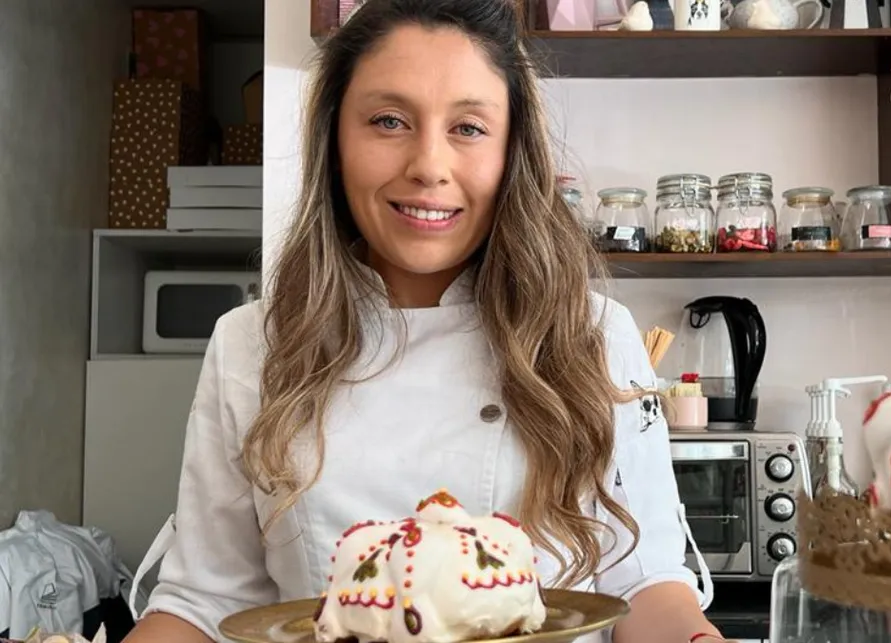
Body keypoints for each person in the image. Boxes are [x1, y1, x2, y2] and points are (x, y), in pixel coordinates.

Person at [121, 1, 721, 641]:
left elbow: (646, 584)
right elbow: (203, 604)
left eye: (468, 128)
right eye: (388, 120)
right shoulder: (252, 345)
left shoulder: (592, 335)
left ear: (513, 150)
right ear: (334, 140)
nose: (428, 166)